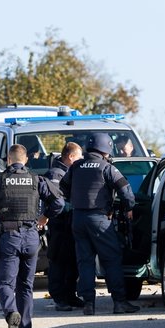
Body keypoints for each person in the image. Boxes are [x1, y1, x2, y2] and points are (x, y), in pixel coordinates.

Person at [0, 144, 63, 328]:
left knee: (5, 283)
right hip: (32, 237)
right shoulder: (37, 180)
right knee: (26, 286)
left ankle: (11, 312)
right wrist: (44, 217)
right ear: (26, 161)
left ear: (8, 160)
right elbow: (58, 202)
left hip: (8, 237)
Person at [60, 132, 139, 315]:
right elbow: (126, 191)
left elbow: (63, 188)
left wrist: (75, 201)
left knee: (85, 262)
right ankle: (119, 302)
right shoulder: (107, 168)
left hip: (78, 220)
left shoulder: (76, 166)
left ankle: (88, 304)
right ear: (106, 147)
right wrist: (129, 208)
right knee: (111, 259)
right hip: (100, 220)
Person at [43, 142, 84, 311]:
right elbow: (55, 201)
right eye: (80, 157)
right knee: (59, 262)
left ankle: (70, 295)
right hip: (59, 224)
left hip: (70, 224)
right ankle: (59, 297)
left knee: (71, 262)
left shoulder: (70, 172)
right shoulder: (55, 174)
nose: (82, 160)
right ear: (71, 157)